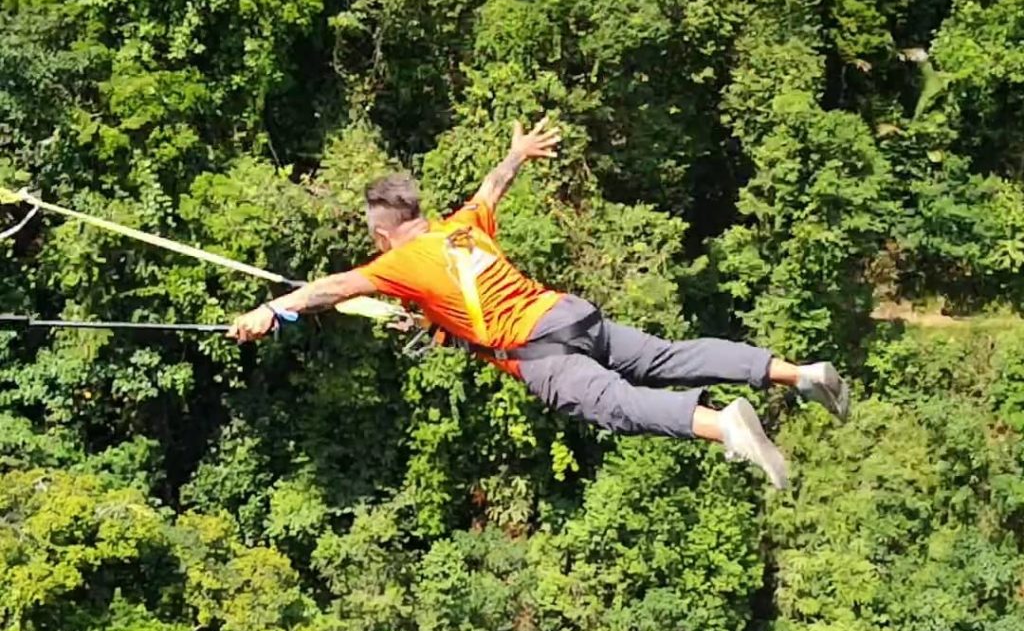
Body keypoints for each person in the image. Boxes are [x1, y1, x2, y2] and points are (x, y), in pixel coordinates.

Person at [228, 117, 849, 489]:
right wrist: (516, 153)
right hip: (569, 315)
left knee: (617, 407)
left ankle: (725, 428)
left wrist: (270, 312)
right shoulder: (463, 226)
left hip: (542, 350)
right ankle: (801, 374)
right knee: (668, 356)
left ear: (380, 233)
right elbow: (490, 187)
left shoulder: (394, 262)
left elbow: (331, 289)